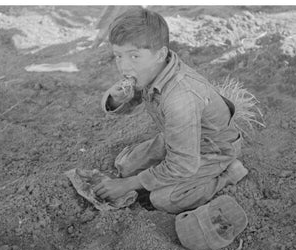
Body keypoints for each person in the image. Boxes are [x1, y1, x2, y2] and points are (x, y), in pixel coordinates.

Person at [93, 8, 247, 214]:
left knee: (165, 199)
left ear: (160, 54)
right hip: (178, 138)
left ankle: (228, 174)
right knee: (125, 165)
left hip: (213, 149)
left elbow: (183, 165)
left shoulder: (180, 97)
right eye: (118, 56)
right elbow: (132, 101)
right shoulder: (152, 70)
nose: (124, 66)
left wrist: (128, 185)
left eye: (134, 56)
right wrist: (115, 99)